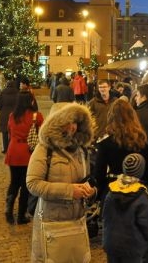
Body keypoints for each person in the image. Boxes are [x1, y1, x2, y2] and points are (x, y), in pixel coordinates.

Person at [25, 103, 97, 263]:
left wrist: (90, 191)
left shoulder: (82, 149)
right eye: (68, 122)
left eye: (76, 122)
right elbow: (33, 183)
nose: (72, 127)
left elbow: (86, 180)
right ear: (57, 122)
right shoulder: (45, 149)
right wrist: (70, 191)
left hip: (77, 221)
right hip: (52, 222)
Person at [94, 96, 148, 202]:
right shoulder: (141, 141)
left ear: (111, 118)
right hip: (137, 192)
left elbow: (98, 175)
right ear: (132, 116)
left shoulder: (105, 143)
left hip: (113, 191)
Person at [102, 153, 148, 263]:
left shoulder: (110, 193)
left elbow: (105, 219)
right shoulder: (142, 197)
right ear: (141, 172)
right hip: (134, 248)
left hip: (112, 246)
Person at [4, 93, 43, 224]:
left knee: (14, 182)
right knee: (25, 185)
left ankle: (8, 209)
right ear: (31, 101)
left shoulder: (12, 116)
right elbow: (42, 134)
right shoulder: (36, 116)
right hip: (28, 152)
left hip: (13, 150)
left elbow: (9, 132)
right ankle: (21, 215)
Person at [0, 79, 20, 153]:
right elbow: (20, 104)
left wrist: (2, 109)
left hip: (4, 114)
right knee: (13, 132)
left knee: (4, 132)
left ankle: (5, 148)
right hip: (14, 114)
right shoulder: (18, 93)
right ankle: (12, 147)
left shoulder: (2, 93)